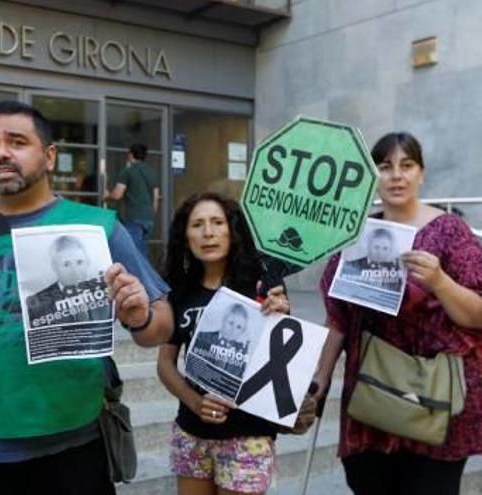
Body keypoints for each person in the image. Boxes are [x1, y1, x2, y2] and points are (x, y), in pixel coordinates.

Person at [0, 101, 174, 495]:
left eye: (17, 142)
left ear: (49, 157)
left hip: (74, 453)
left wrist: (139, 316)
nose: (1, 152)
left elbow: (161, 324)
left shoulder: (98, 229)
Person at [316, 132, 482, 495]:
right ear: (373, 175)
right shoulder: (356, 235)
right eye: (385, 166)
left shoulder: (451, 232)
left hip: (433, 400)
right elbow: (337, 317)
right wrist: (320, 378)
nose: (396, 175)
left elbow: (477, 314)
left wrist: (439, 281)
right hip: (371, 396)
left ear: (421, 174)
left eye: (406, 166)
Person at [157, 192, 303, 495]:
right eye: (197, 224)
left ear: (233, 231)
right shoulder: (179, 292)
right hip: (191, 432)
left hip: (248, 435)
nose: (208, 233)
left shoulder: (262, 285)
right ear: (186, 236)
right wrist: (195, 403)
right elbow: (165, 364)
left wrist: (282, 317)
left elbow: (282, 360)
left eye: (217, 222)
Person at [25, 235, 111, 326]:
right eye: (66, 264)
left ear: (87, 262)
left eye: (79, 262)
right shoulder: (36, 304)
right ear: (55, 267)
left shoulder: (104, 293)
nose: (75, 271)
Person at [107, 143, 159, 258]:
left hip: (134, 217)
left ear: (131, 155)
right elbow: (155, 198)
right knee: (142, 251)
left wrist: (106, 195)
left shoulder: (128, 171)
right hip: (148, 218)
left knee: (133, 253)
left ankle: (138, 275)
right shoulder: (151, 173)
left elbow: (117, 195)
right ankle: (144, 274)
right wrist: (150, 214)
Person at [192, 303, 252, 378]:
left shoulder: (242, 351)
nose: (233, 330)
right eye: (230, 323)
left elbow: (239, 376)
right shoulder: (203, 337)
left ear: (243, 330)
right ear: (223, 320)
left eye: (239, 327)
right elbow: (193, 366)